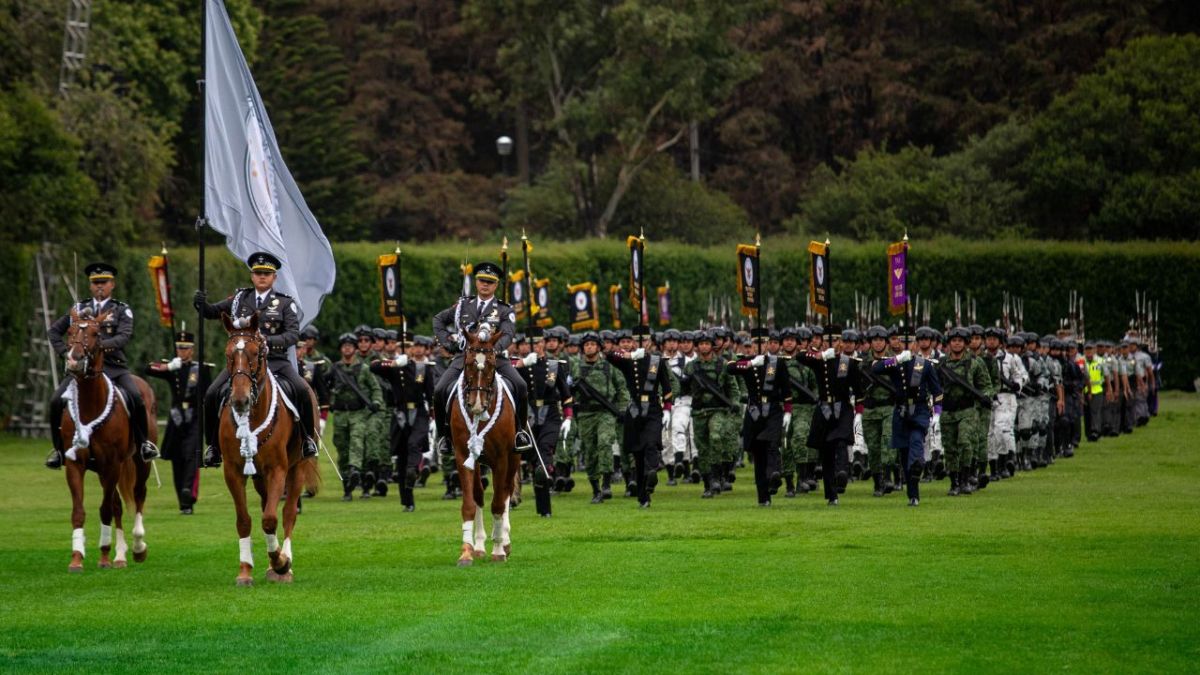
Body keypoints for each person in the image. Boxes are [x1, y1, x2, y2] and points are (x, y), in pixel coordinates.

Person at [192, 252, 317, 467]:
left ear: (274, 277)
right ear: (252, 276)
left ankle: (306, 440)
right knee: (212, 393)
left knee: (302, 391)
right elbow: (213, 312)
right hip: (242, 363)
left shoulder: (285, 304)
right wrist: (201, 304)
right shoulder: (239, 299)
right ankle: (213, 446)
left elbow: (293, 334)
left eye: (266, 274)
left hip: (275, 361)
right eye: (258, 273)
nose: (262, 277)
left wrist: (267, 341)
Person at [46, 262, 159, 469]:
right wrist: (66, 353)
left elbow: (123, 336)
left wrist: (98, 347)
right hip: (82, 371)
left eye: (104, 282)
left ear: (112, 285)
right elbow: (54, 332)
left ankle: (143, 444)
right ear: (90, 286)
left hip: (114, 367)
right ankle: (58, 451)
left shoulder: (121, 309)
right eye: (95, 282)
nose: (100, 286)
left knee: (136, 398)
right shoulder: (78, 309)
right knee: (55, 401)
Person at [431, 262, 530, 457]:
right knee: (440, 390)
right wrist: (447, 344)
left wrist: (493, 349)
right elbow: (438, 320)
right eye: (481, 281)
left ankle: (519, 432)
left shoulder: (504, 310)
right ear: (476, 282)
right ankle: (445, 437)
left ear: (496, 285)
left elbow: (508, 334)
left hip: (495, 359)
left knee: (521, 386)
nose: (485, 285)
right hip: (465, 357)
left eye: (490, 282)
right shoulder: (462, 306)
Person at [795, 328, 865, 506]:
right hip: (824, 407)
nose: (831, 344)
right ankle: (831, 494)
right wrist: (820, 355)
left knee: (840, 440)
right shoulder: (820, 360)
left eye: (835, 341)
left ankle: (842, 471)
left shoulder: (847, 362)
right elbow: (800, 356)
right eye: (827, 341)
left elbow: (859, 391)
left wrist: (858, 412)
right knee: (826, 451)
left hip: (842, 407)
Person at [871, 334, 942, 506]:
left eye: (909, 342)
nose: (906, 345)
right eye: (902, 341)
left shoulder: (924, 365)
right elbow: (875, 368)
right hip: (901, 412)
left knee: (916, 443)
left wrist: (937, 415)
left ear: (916, 345)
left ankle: (918, 464)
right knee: (904, 456)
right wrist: (896, 359)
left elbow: (937, 391)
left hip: (919, 411)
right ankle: (913, 494)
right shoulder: (896, 363)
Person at [607, 325, 673, 508]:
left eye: (644, 340)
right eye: (637, 340)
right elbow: (609, 355)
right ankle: (644, 496)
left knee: (651, 443)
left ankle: (652, 473)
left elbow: (667, 388)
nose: (640, 343)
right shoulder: (629, 360)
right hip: (635, 409)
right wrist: (628, 355)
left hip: (652, 408)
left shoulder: (656, 361)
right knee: (638, 453)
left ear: (650, 341)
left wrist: (667, 409)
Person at [144, 330, 210, 514]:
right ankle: (183, 502)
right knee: (177, 460)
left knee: (191, 455)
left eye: (185, 348)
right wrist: (167, 368)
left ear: (192, 350)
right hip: (176, 419)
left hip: (194, 417)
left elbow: (207, 396)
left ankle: (188, 490)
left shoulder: (201, 369)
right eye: (179, 348)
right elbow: (147, 368)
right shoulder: (172, 367)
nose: (181, 351)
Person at [726, 329, 791, 506]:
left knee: (771, 443)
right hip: (754, 411)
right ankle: (763, 496)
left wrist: (787, 411)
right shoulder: (747, 361)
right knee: (759, 454)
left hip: (773, 409)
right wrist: (750, 363)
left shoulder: (776, 363)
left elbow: (786, 389)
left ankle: (774, 474)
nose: (760, 346)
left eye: (764, 343)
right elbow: (730, 368)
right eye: (756, 344)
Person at [370, 332, 435, 511]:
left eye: (419, 346)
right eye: (413, 346)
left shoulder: (424, 368)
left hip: (419, 413)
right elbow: (373, 366)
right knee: (401, 458)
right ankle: (408, 501)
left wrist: (434, 416)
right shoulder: (396, 367)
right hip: (400, 414)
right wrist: (394, 363)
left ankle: (414, 470)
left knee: (414, 444)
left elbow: (431, 394)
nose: (417, 349)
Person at [514, 328, 573, 517]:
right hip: (528, 416)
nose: (535, 347)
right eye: (530, 344)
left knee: (545, 450)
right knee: (535, 463)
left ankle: (549, 470)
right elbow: (501, 370)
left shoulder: (554, 366)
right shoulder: (517, 366)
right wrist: (522, 363)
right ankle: (543, 508)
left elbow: (566, 394)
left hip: (550, 415)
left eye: (539, 343)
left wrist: (569, 417)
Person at [571, 331, 630, 504]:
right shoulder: (576, 368)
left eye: (592, 344)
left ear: (598, 347)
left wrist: (622, 409)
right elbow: (567, 390)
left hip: (606, 413)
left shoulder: (608, 367)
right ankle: (595, 489)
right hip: (585, 414)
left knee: (605, 443)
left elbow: (621, 389)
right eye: (586, 345)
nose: (589, 347)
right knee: (590, 452)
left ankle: (606, 485)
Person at [681, 329, 740, 498]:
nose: (704, 347)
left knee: (715, 437)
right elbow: (683, 389)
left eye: (707, 343)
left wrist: (735, 403)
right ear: (697, 347)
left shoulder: (722, 364)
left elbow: (733, 387)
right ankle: (708, 484)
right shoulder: (691, 367)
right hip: (699, 412)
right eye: (701, 344)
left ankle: (716, 476)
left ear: (712, 346)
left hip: (718, 410)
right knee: (703, 449)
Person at [327, 333, 385, 500]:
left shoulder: (364, 369)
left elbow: (375, 388)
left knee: (357, 443)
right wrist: (328, 401)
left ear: (354, 349)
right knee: (342, 449)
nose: (347, 348)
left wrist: (376, 403)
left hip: (358, 413)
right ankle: (347, 485)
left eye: (350, 345)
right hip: (339, 415)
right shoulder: (335, 369)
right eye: (344, 346)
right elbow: (325, 386)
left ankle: (354, 471)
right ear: (340, 349)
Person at [859, 326, 896, 497]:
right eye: (874, 340)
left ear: (886, 342)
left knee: (887, 441)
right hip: (870, 410)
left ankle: (888, 477)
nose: (878, 343)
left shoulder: (894, 361)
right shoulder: (863, 363)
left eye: (881, 340)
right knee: (873, 447)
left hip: (889, 407)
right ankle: (877, 482)